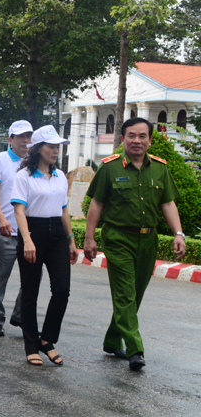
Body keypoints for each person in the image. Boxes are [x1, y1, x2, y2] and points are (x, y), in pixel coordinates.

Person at [85, 117, 185, 371]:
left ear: (151, 140)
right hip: (118, 238)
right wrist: (89, 237)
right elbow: (97, 204)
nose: (137, 140)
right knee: (126, 293)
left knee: (134, 294)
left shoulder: (160, 168)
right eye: (131, 136)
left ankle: (111, 339)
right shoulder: (109, 168)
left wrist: (179, 233)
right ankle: (135, 349)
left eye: (142, 136)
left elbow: (167, 203)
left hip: (148, 239)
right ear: (122, 139)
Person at [10, 126, 76, 366]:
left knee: (61, 290)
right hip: (32, 231)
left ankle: (47, 340)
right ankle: (30, 345)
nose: (56, 151)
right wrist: (27, 239)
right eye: (51, 146)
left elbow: (64, 210)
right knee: (30, 292)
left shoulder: (59, 176)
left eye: (58, 147)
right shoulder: (23, 176)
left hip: (57, 234)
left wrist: (71, 240)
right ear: (38, 149)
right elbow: (19, 210)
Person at [0, 120, 33, 337]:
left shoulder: (36, 161)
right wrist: (1, 218)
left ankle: (20, 315)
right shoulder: (0, 160)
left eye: (28, 137)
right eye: (20, 137)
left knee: (32, 278)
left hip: (30, 233)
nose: (25, 141)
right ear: (10, 139)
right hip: (3, 230)